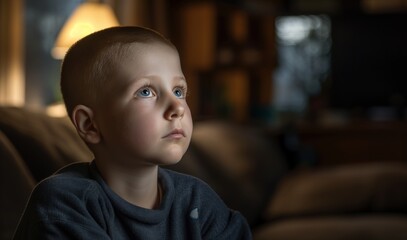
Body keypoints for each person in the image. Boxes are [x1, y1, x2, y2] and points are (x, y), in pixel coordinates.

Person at [14, 26, 252, 239]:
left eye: (179, 91)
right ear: (90, 125)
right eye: (146, 92)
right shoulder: (63, 203)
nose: (178, 107)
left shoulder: (196, 199)